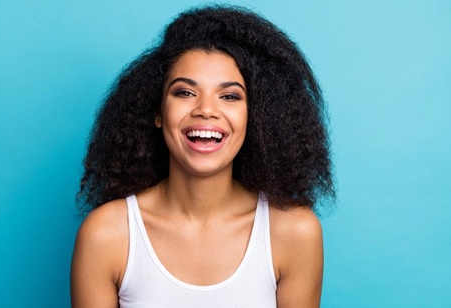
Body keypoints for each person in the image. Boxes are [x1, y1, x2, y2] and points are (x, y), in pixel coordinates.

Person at [71, 5, 334, 308]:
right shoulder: (106, 235)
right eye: (184, 92)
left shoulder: (294, 233)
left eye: (230, 96)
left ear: (255, 116)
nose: (206, 110)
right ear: (157, 112)